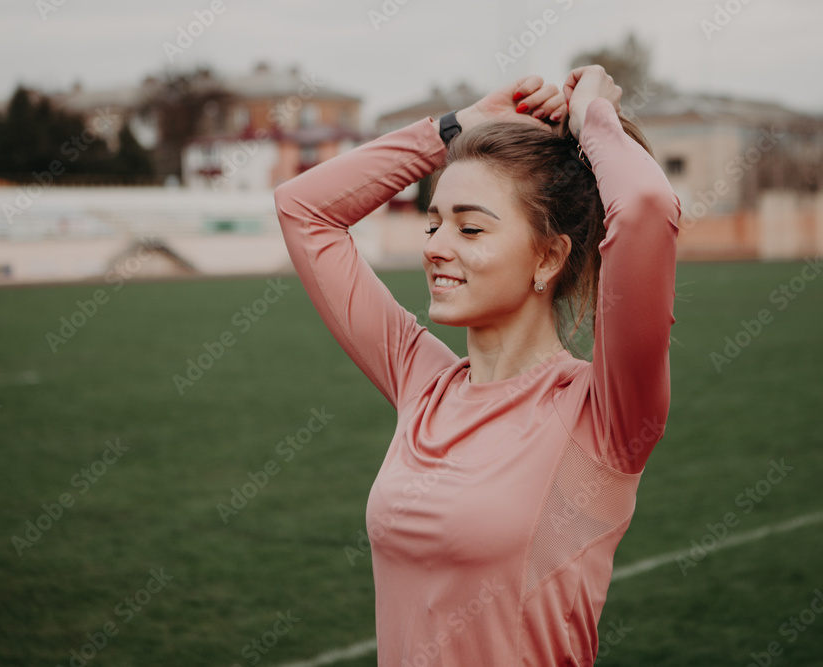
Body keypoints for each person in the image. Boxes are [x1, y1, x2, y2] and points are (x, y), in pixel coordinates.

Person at [273, 65, 680, 665]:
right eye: (434, 223)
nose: (436, 245)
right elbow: (303, 210)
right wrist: (457, 126)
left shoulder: (604, 417)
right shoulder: (422, 385)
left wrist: (592, 117)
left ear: (548, 258)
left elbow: (645, 207)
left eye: (470, 227)